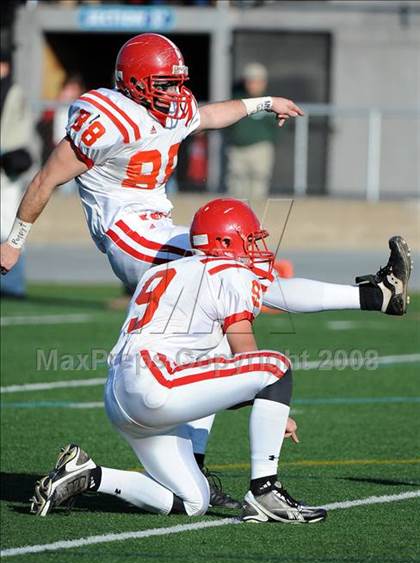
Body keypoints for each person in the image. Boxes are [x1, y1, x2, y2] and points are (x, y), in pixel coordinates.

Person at [0, 33, 412, 505]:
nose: (175, 93)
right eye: (164, 84)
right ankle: (372, 297)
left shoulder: (170, 107)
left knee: (233, 295)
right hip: (128, 235)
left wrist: (265, 101)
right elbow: (47, 178)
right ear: (133, 83)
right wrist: (14, 243)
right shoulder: (106, 119)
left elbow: (212, 114)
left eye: (177, 83)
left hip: (158, 224)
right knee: (238, 275)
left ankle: (376, 296)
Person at [30, 198, 327, 523]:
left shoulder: (160, 271)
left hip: (123, 393)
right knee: (274, 367)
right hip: (153, 382)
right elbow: (247, 354)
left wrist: (267, 407)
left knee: (192, 501)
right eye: (249, 241)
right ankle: (265, 492)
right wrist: (269, 401)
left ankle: (89, 475)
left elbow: (217, 385)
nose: (253, 250)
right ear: (225, 242)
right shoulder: (226, 271)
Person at [0, 47, 33, 299]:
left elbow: (18, 132)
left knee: (8, 228)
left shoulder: (12, 91)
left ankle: (12, 285)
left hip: (5, 171)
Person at [226, 62, 278, 199]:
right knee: (236, 186)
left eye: (257, 81)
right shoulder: (237, 99)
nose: (253, 84)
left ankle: (255, 218)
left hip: (260, 148)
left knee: (259, 185)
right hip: (237, 149)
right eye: (250, 81)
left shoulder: (272, 101)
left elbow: (278, 126)